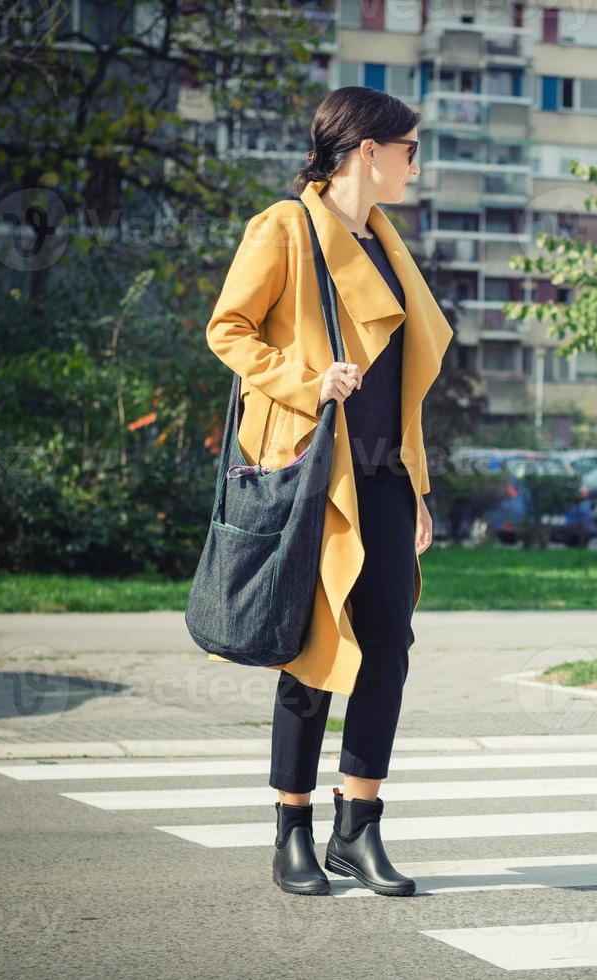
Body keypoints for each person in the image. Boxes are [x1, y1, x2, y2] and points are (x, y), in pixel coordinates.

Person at [204, 87, 453, 896]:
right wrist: (309, 382)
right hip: (315, 473)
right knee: (310, 651)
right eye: (410, 149)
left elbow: (404, 384)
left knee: (389, 645)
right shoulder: (284, 228)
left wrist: (416, 487)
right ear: (368, 151)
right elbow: (228, 330)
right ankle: (291, 832)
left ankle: (360, 827)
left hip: (383, 473)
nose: (417, 164)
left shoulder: (387, 244)